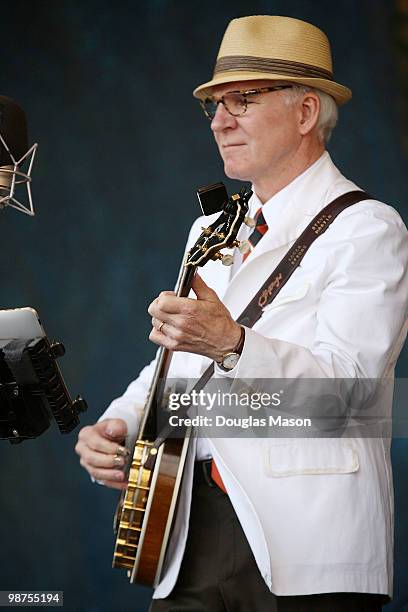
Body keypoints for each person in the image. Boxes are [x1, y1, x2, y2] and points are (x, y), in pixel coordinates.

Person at [75, 15, 408, 611]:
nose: (221, 122)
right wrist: (121, 421)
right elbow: (177, 361)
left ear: (306, 114)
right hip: (184, 529)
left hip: (305, 541)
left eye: (243, 101)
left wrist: (232, 342)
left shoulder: (368, 228)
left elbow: (347, 397)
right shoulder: (211, 227)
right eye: (216, 106)